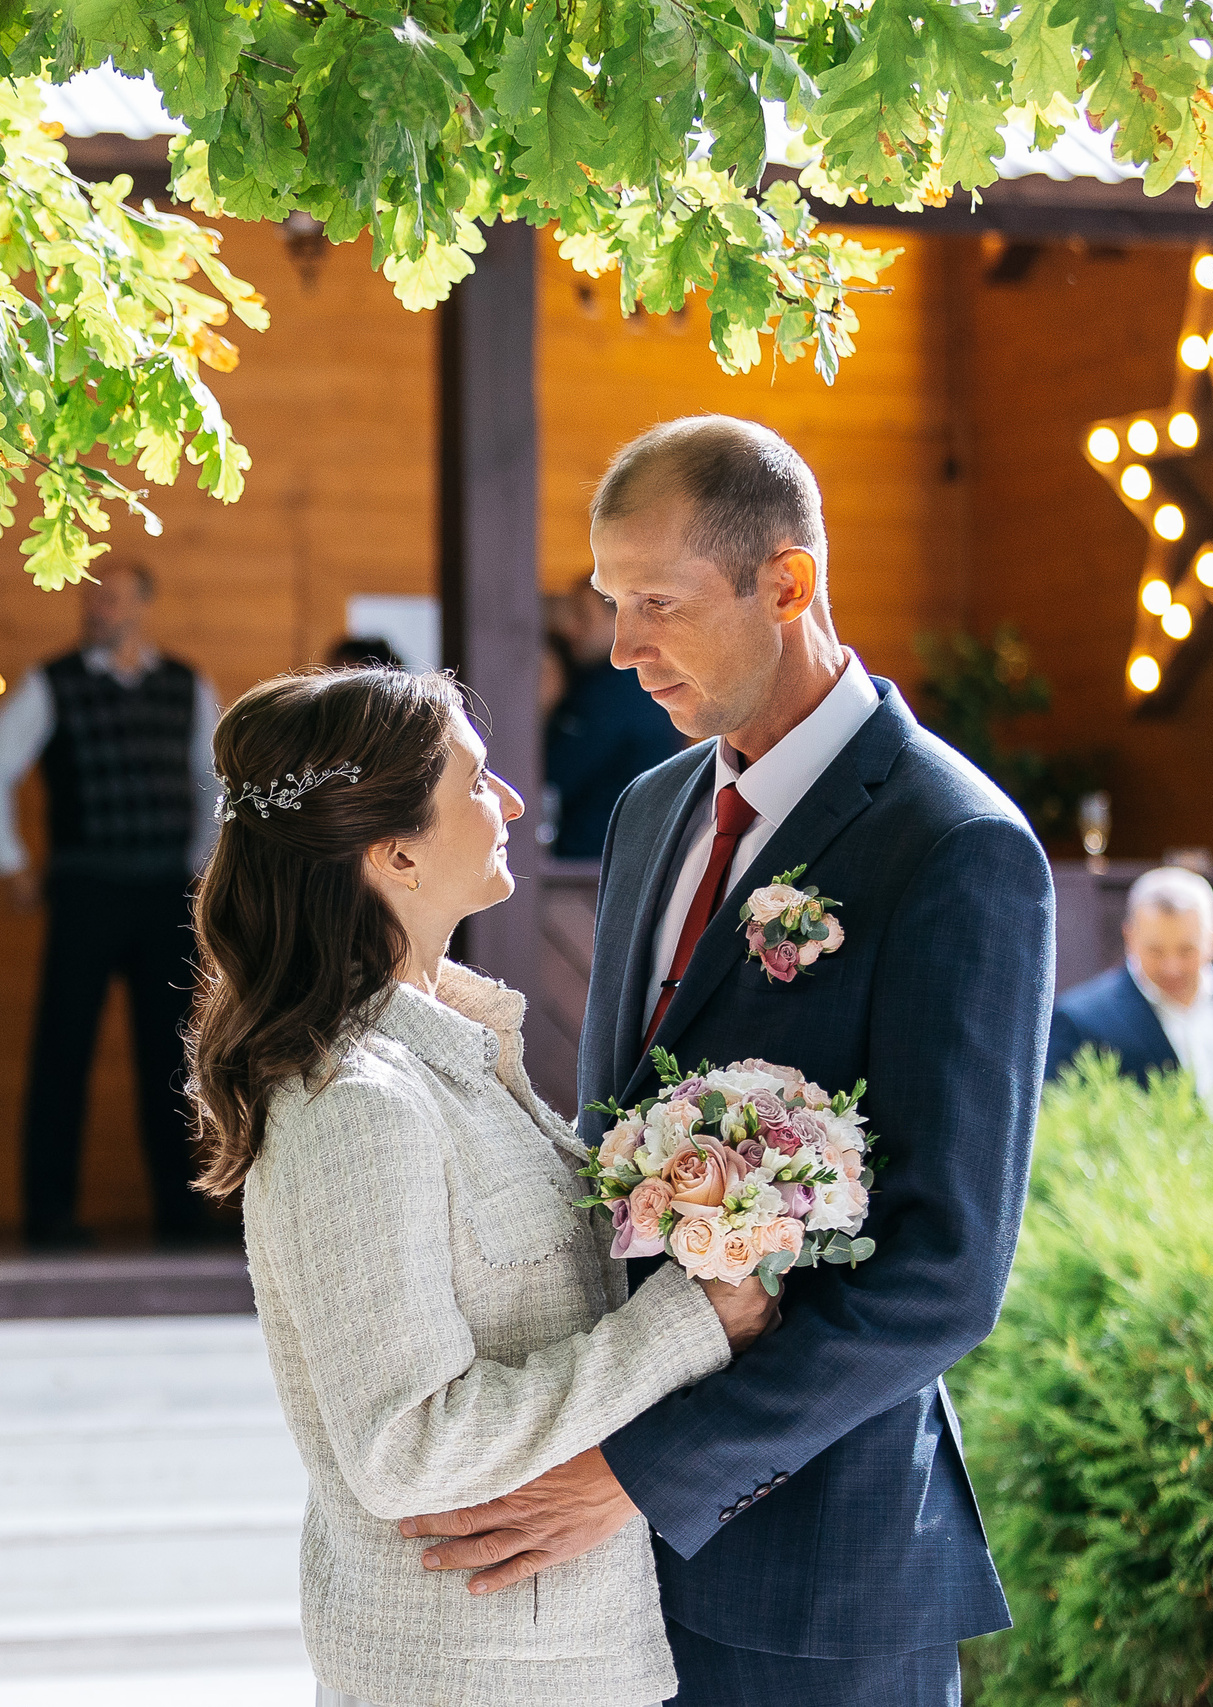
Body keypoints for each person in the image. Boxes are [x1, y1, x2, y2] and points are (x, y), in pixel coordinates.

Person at [400, 417, 1055, 1705]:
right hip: (601, 1573)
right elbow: (609, 1162)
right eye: (609, 602)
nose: (620, 648)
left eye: (658, 603)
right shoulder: (649, 810)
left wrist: (646, 1473)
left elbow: (942, 1276)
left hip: (819, 1577)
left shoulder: (955, 843)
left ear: (787, 584)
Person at [189, 665, 776, 1707]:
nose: (507, 800)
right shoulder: (358, 1105)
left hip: (563, 1659)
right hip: (472, 1676)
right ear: (397, 853)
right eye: (474, 779)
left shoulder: (459, 1054)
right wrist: (690, 1326)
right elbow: (407, 1443)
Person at [0, 563, 222, 1248]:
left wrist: (202, 869)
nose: (96, 609)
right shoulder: (52, 682)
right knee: (63, 1052)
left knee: (173, 1058)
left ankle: (181, 1214)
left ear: (142, 606)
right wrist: (10, 862)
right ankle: (49, 1216)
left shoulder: (187, 685)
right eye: (90, 598)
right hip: (85, 891)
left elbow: (217, 782)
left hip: (167, 894)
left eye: (110, 599)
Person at [1048, 864, 1213, 1105]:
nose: (1171, 967)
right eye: (1155, 951)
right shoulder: (1079, 1020)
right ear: (1129, 936)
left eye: (1187, 950)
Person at [543, 583, 686, 858]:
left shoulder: (612, 693)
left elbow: (552, 775)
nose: (570, 628)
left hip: (593, 863)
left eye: (583, 616)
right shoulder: (648, 680)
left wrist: (544, 708)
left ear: (621, 619)